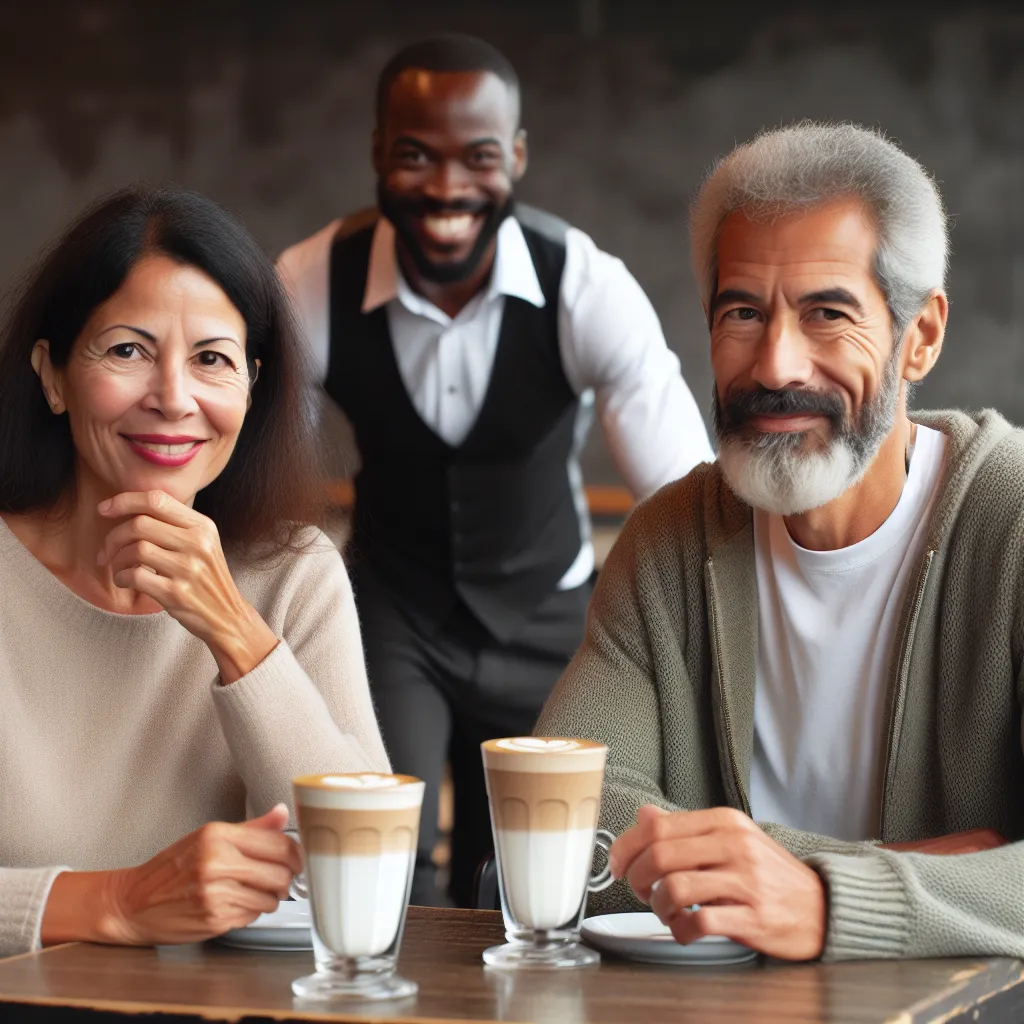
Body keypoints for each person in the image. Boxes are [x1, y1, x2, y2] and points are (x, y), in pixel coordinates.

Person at [537, 121, 1024, 962]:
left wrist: (822, 902)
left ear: (923, 336)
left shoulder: (1010, 519)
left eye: (827, 314)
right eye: (742, 312)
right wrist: (891, 876)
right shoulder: (668, 542)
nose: (774, 366)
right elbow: (562, 830)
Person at [278, 34, 713, 907]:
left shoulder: (585, 286)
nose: (446, 188)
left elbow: (684, 499)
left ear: (516, 156)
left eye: (478, 157)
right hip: (392, 614)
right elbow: (249, 463)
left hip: (547, 618)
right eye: (415, 155)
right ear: (376, 154)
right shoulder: (310, 283)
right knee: (372, 863)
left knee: (526, 882)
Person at [0, 185, 389, 959]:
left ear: (250, 385)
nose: (174, 398)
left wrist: (236, 633)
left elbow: (372, 875)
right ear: (52, 375)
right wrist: (116, 901)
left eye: (211, 360)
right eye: (127, 351)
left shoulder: (295, 576)